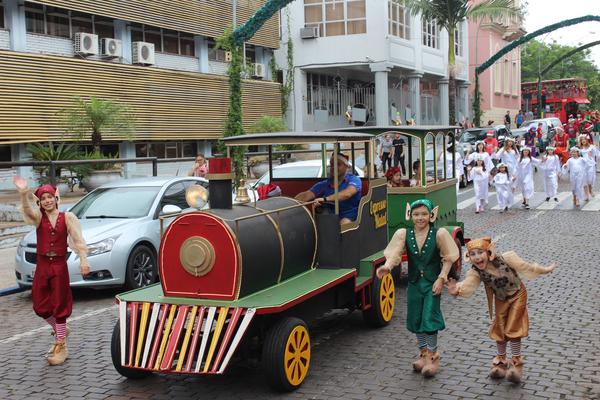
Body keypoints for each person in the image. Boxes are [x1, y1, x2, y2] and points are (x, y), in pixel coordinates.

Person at [445, 237, 556, 383]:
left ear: (489, 252)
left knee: (513, 327)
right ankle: (501, 361)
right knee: (500, 328)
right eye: (473, 254)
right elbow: (468, 285)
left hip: (518, 294)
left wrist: (545, 270)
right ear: (469, 257)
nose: (477, 257)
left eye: (480, 253)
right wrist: (456, 290)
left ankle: (516, 363)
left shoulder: (507, 258)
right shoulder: (476, 272)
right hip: (501, 298)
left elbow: (526, 267)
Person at [376, 199, 459, 378]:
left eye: (423, 214)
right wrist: (387, 267)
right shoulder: (403, 233)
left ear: (431, 215)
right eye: (416, 214)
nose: (420, 218)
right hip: (414, 283)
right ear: (410, 215)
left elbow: (448, 258)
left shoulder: (439, 233)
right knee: (416, 318)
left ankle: (433, 356)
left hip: (432, 283)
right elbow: (395, 253)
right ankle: (423, 354)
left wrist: (441, 277)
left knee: (429, 317)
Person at [13, 177, 89, 366]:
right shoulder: (39, 218)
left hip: (59, 265)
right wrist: (24, 195)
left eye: (49, 197)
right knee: (40, 306)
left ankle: (61, 343)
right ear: (40, 202)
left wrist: (83, 260)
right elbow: (28, 212)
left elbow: (79, 240)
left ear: (56, 198)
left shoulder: (68, 217)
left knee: (60, 303)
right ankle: (60, 328)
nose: (47, 201)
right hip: (42, 264)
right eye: (43, 198)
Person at [295, 152, 362, 224]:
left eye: (338, 164)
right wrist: (292, 202)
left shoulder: (354, 180)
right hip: (329, 216)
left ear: (346, 167)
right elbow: (308, 194)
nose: (334, 167)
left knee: (344, 223)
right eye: (332, 164)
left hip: (349, 216)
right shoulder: (325, 183)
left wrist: (325, 199)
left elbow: (347, 193)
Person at [577, 135, 599, 200]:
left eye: (584, 139)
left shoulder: (591, 147)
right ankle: (586, 194)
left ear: (587, 140)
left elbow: (597, 154)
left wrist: (592, 153)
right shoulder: (580, 149)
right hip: (583, 166)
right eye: (581, 140)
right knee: (584, 180)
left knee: (590, 179)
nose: (583, 141)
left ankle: (590, 189)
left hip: (590, 165)